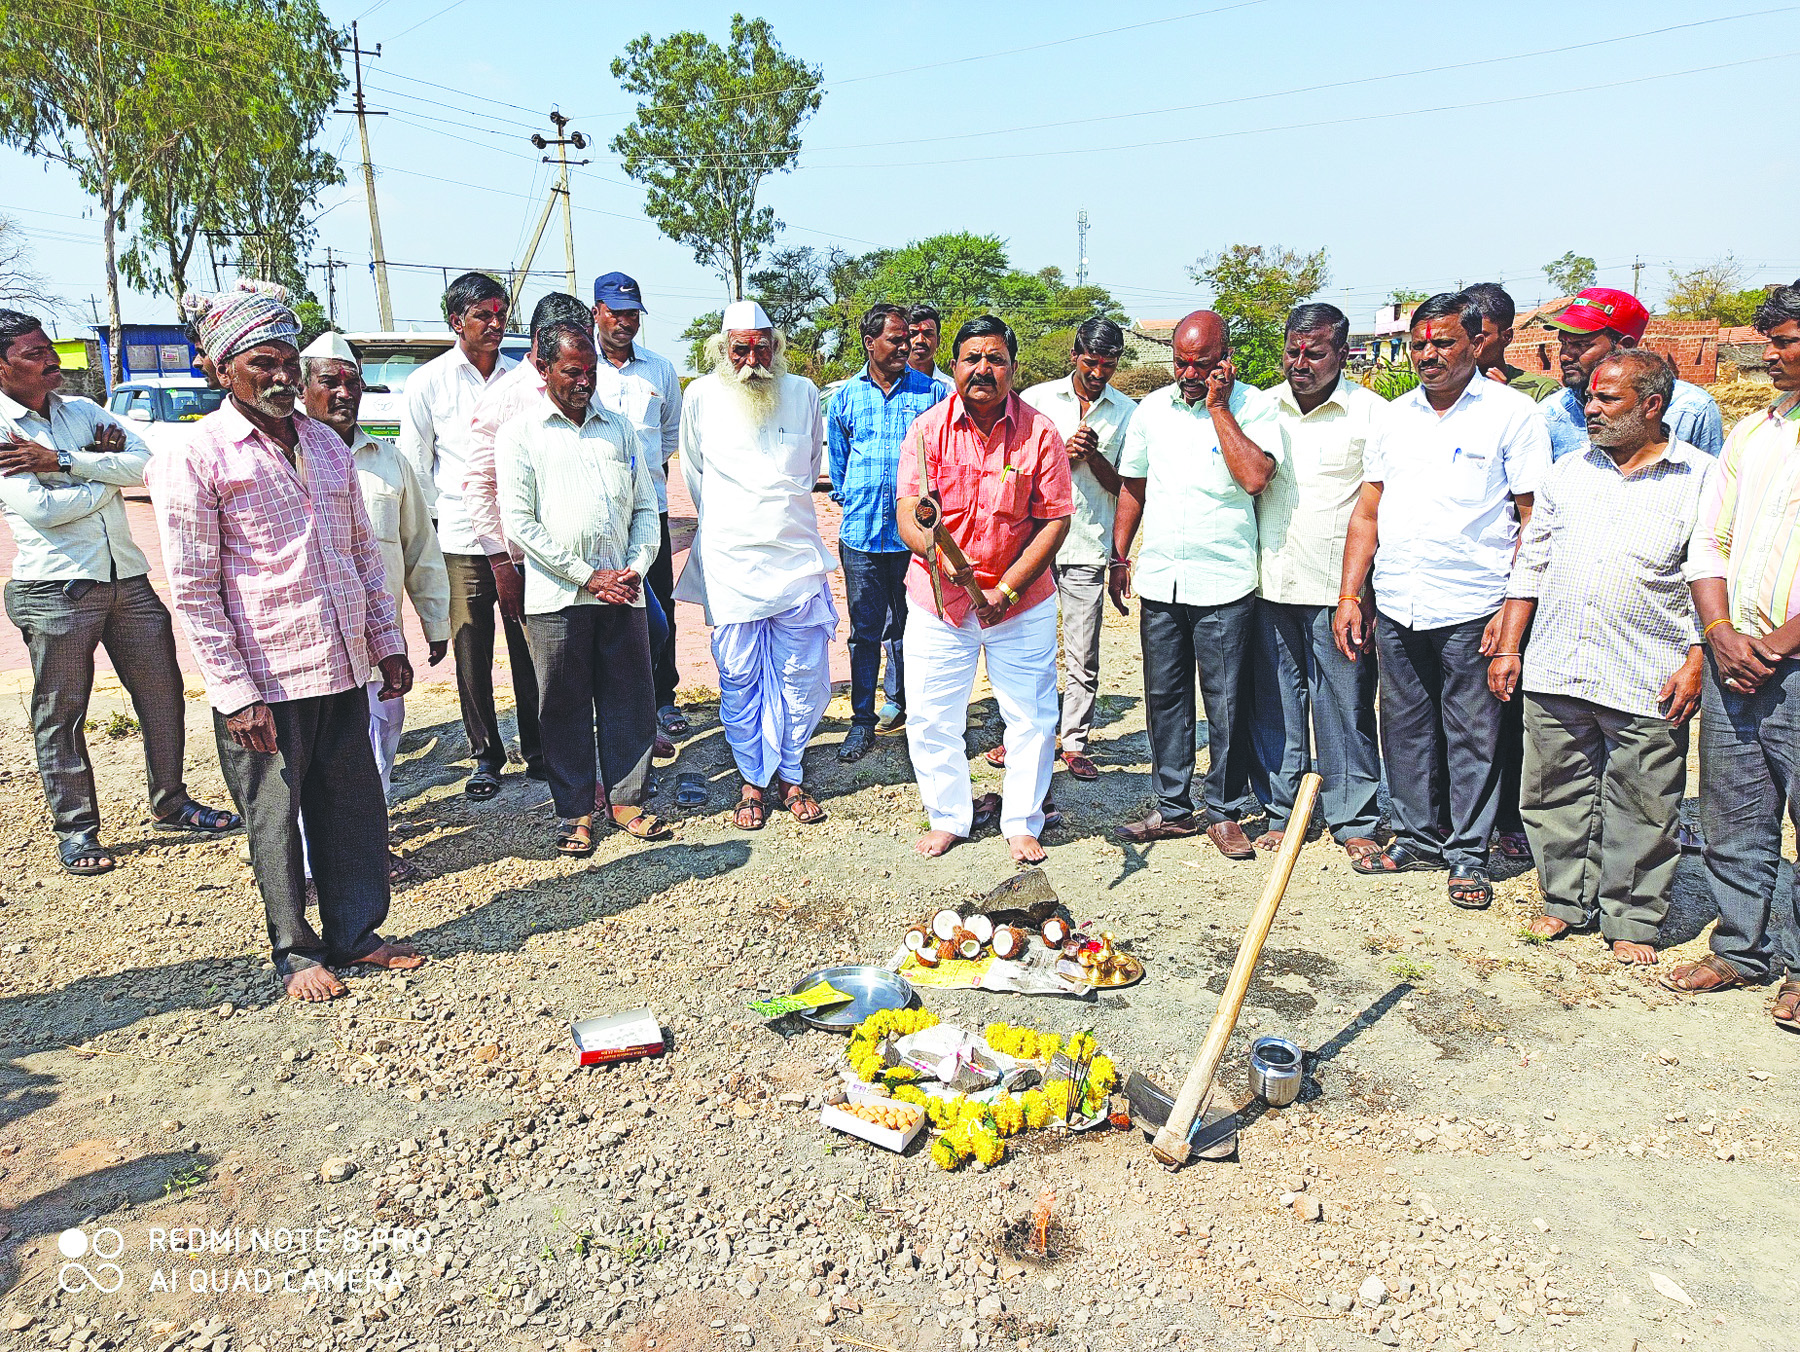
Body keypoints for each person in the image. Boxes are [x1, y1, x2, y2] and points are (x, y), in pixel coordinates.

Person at [148, 285, 422, 1002]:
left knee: (353, 805)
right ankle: (294, 954)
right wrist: (234, 695)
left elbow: (363, 551)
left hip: (337, 663)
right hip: (263, 680)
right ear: (220, 370)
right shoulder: (198, 455)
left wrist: (386, 642)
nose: (279, 377)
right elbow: (195, 589)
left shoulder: (328, 445)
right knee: (275, 818)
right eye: (260, 363)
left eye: (287, 362)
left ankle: (356, 933)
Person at [1488, 350, 1711, 964]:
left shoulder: (1700, 477)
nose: (1590, 409)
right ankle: (1564, 901)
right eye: (1590, 398)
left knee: (1643, 800)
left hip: (1647, 669)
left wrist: (1696, 659)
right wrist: (1511, 645)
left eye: (1607, 399)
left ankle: (1632, 917)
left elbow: (1710, 574)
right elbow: (1532, 561)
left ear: (1652, 406)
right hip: (1560, 660)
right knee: (1554, 791)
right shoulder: (1567, 472)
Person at [0, 308, 238, 876]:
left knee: (163, 692)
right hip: (55, 588)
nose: (53, 361)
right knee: (62, 713)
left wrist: (66, 462)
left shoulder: (82, 412)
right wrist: (105, 474)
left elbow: (146, 466)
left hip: (127, 580)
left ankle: (172, 801)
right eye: (34, 354)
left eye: (48, 348)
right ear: (1, 367)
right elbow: (40, 509)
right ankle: (77, 830)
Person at [1334, 291, 1551, 910]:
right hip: (1401, 599)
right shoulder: (1394, 417)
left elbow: (1532, 520)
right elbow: (1367, 510)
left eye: (1443, 343)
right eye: (1419, 343)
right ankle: (1414, 835)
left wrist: (1511, 618)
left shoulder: (1511, 415)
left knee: (1472, 732)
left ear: (1475, 343)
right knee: (1403, 725)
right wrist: (1352, 593)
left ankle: (1466, 854)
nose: (1428, 355)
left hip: (1474, 605)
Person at [1666, 279, 1800, 1027]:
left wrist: (1776, 646)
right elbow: (1708, 541)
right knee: (1734, 812)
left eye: (1785, 342)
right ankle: (1743, 950)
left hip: (1788, 661)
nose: (1771, 354)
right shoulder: (1759, 432)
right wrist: (1719, 634)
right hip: (1734, 655)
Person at [896, 315, 1072, 864]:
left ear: (1013, 369)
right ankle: (949, 817)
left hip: (1020, 604)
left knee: (1032, 716)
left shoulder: (1040, 433)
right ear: (953, 367)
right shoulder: (927, 431)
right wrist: (933, 554)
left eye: (995, 359)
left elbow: (1054, 521)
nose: (983, 369)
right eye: (972, 358)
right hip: (938, 602)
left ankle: (1022, 820)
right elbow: (908, 511)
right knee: (930, 714)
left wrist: (1009, 591)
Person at [1112, 311, 1279, 859]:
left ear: (1225, 359)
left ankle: (1225, 810)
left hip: (1225, 580)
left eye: (1201, 364)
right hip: (1162, 577)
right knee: (1164, 696)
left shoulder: (1256, 406)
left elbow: (1255, 476)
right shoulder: (1151, 412)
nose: (1188, 373)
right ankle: (1173, 807)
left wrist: (1218, 408)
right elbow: (1133, 486)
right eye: (1181, 363)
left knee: (1226, 701)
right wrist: (1119, 554)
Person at [498, 317, 668, 855]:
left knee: (630, 698)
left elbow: (645, 507)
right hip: (558, 596)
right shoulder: (521, 433)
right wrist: (587, 576)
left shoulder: (617, 428)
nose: (584, 382)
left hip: (623, 591)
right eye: (572, 371)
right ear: (543, 368)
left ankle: (627, 800)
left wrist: (634, 569)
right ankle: (574, 810)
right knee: (563, 704)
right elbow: (520, 523)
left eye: (590, 371)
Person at [675, 301, 836, 830]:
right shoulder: (699, 395)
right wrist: (731, 522)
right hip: (729, 560)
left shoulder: (805, 393)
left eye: (761, 347)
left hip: (795, 555)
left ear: (777, 346)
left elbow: (812, 464)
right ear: (722, 350)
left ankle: (790, 772)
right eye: (739, 349)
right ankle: (751, 778)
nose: (752, 360)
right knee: (739, 673)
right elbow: (696, 473)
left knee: (801, 672)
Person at [300, 331, 449, 883]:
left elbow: (419, 550)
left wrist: (436, 622)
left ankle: (367, 840)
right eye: (329, 381)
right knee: (314, 752)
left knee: (383, 734)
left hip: (376, 641)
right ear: (302, 385)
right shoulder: (282, 458)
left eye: (352, 382)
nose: (343, 393)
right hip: (307, 646)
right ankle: (313, 861)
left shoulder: (388, 463)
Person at [1248, 303, 1383, 862]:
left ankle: (1354, 815)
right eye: (1293, 350)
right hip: (1268, 580)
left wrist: (1361, 591)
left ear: (1343, 353)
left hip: (1337, 589)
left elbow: (1376, 508)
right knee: (1275, 703)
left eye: (1316, 352)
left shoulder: (1370, 414)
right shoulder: (1258, 408)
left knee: (1344, 705)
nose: (1300, 362)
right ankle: (1283, 810)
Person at [400, 271, 531, 800]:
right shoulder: (428, 382)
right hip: (459, 538)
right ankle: (485, 756)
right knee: (471, 650)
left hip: (521, 539)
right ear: (457, 322)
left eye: (501, 313)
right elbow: (416, 464)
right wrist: (431, 536)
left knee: (529, 645)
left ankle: (539, 748)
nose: (496, 323)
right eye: (484, 315)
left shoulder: (523, 378)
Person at [827, 303, 947, 761]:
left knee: (915, 630)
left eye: (911, 338)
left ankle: (916, 717)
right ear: (869, 343)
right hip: (860, 536)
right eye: (896, 339)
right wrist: (856, 497)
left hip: (914, 538)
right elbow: (839, 467)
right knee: (865, 632)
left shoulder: (932, 395)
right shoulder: (845, 397)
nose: (908, 345)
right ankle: (863, 722)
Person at [1017, 316, 1135, 782]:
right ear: (1074, 355)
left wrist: (1094, 457)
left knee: (1082, 654)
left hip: (1088, 545)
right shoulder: (1038, 401)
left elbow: (1127, 486)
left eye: (1108, 364)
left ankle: (1074, 742)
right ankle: (1028, 737)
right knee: (1031, 649)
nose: (1099, 372)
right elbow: (1014, 468)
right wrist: (1059, 456)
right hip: (1035, 545)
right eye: (1091, 362)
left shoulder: (1126, 412)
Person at [1463, 281, 1542, 864]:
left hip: (1526, 575)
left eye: (1478, 335)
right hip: (1473, 582)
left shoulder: (1531, 399)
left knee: (1509, 711)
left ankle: (1510, 816)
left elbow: (1532, 506)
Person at [589, 272, 686, 737]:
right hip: (599, 516)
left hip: (651, 511)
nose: (624, 322)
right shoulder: (582, 366)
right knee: (606, 606)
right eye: (615, 312)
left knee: (659, 606)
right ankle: (612, 699)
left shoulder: (659, 369)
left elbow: (670, 435)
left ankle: (663, 697)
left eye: (632, 314)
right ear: (597, 312)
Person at [1538, 287, 1724, 460]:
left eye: (1581, 345)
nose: (1565, 356)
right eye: (1563, 343)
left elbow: (1710, 487)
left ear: (1625, 346)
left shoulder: (1690, 410)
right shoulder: (1551, 414)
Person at [1464, 281, 1562, 401]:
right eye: (1462, 335)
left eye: (1480, 337)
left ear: (1507, 337)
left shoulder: (1540, 391)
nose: (1468, 344)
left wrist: (1505, 402)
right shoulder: (1441, 388)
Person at [908, 303, 952, 394]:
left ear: (938, 341)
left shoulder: (951, 389)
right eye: (913, 334)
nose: (920, 340)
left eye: (928, 334)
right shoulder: (888, 386)